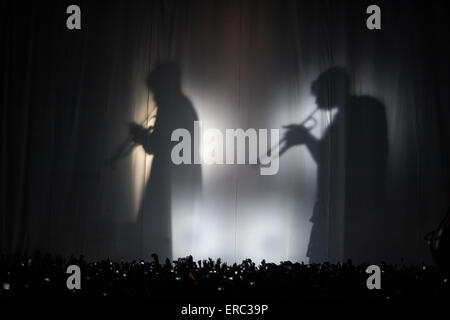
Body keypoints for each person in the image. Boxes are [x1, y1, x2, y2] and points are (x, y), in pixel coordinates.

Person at [283, 67, 388, 263]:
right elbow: (329, 159)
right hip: (337, 207)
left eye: (318, 96)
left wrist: (305, 138)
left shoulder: (361, 110)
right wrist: (306, 139)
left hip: (351, 210)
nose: (316, 102)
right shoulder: (349, 114)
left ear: (330, 89)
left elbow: (335, 160)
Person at [129, 61, 201, 261]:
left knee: (158, 240)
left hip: (168, 187)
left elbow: (160, 147)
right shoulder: (182, 106)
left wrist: (142, 136)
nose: (154, 98)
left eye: (156, 91)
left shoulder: (172, 108)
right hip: (178, 187)